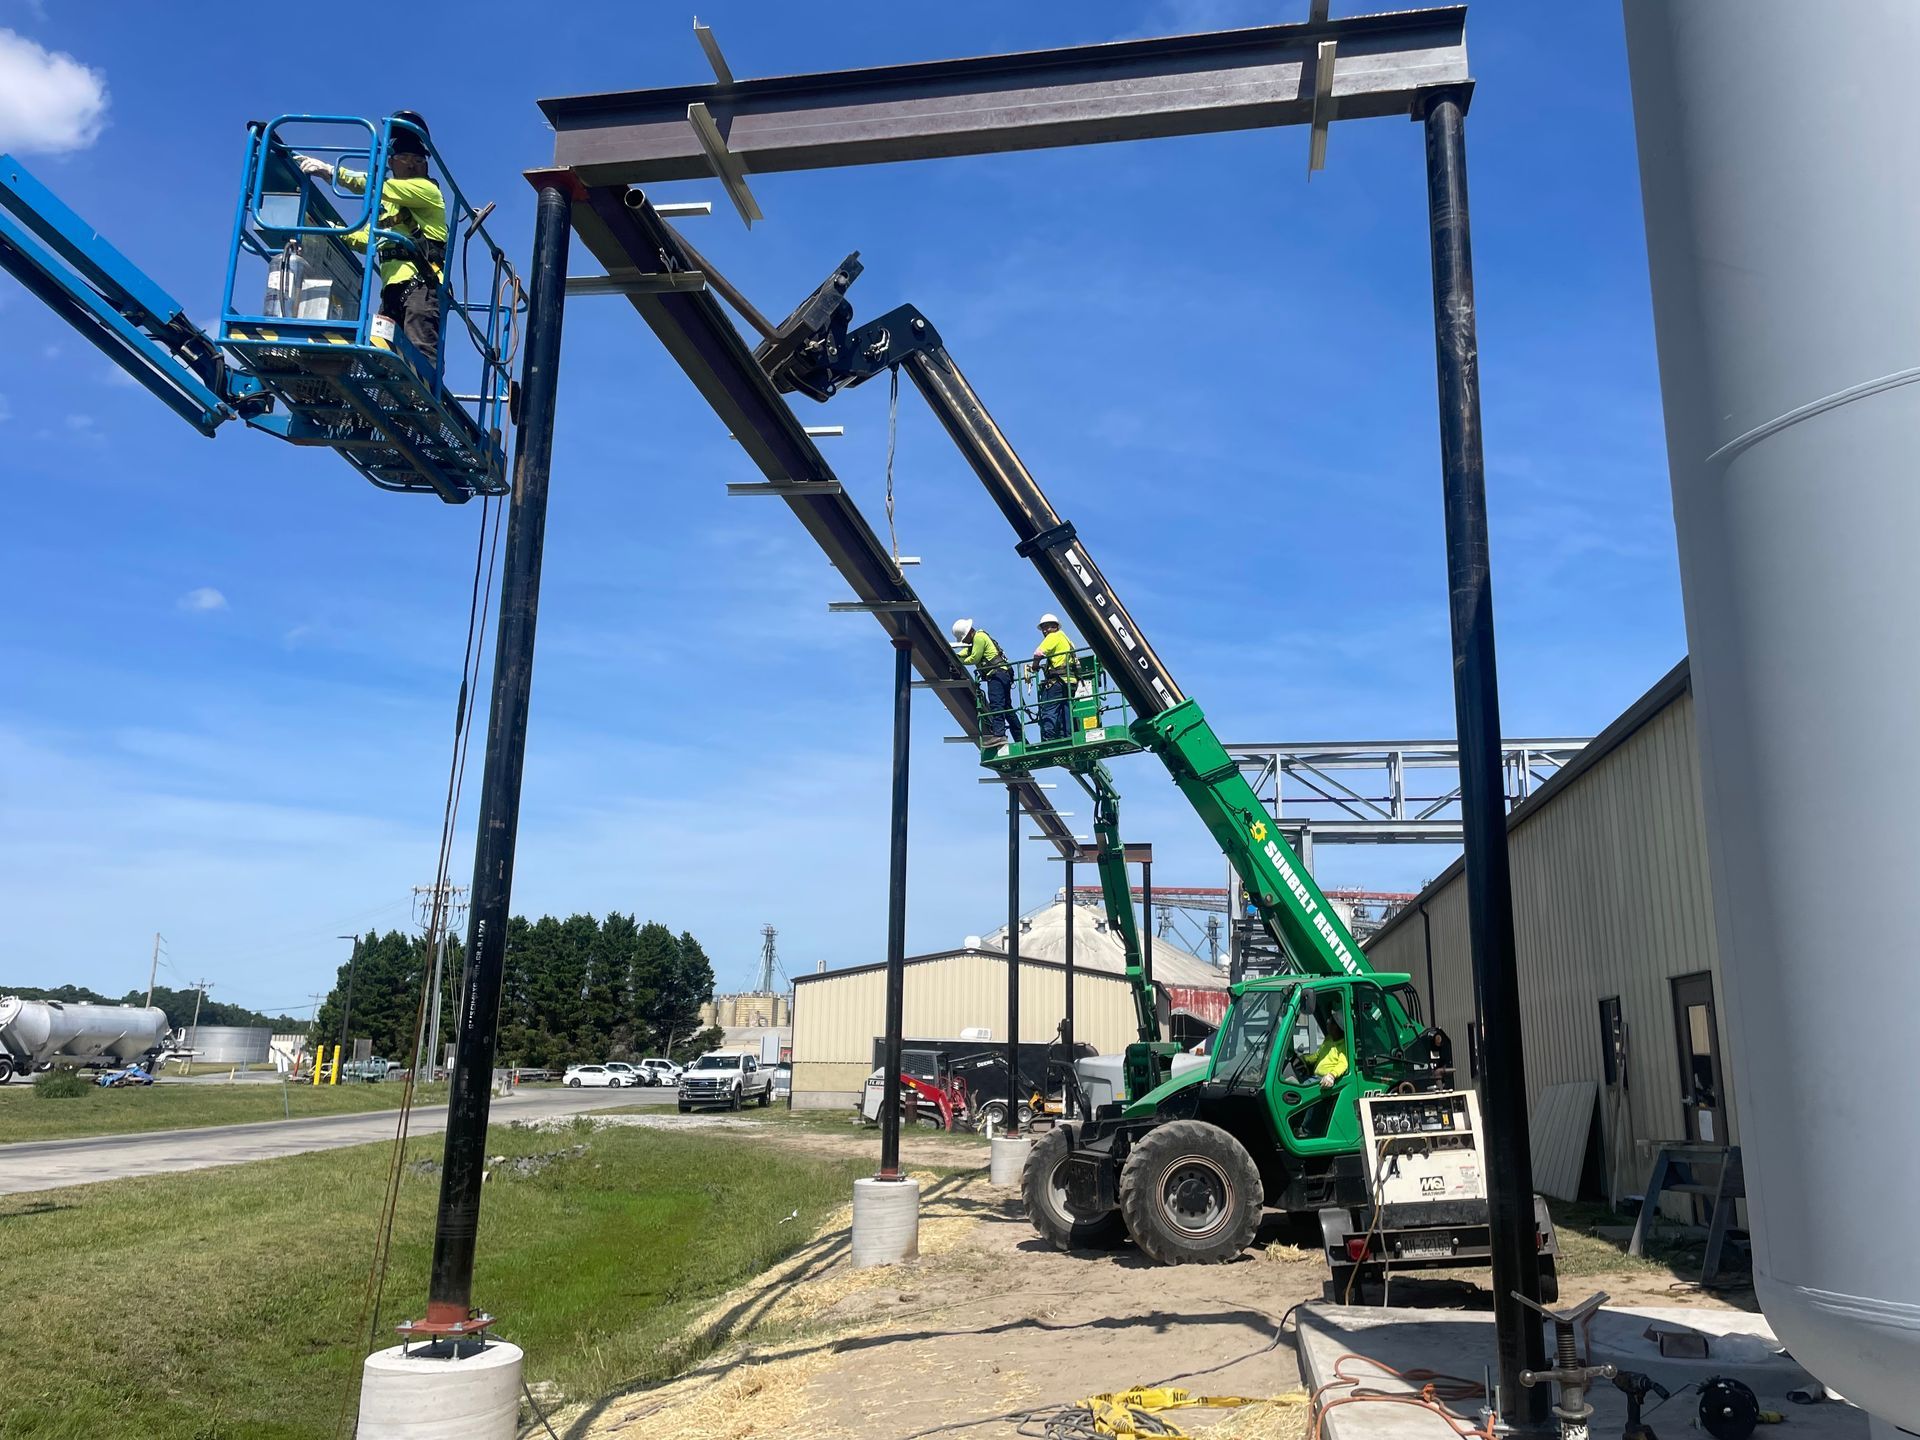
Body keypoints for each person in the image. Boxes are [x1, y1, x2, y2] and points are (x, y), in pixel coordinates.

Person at [294, 112, 447, 368]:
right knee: (381, 353)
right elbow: (366, 240)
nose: (411, 165)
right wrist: (324, 228)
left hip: (422, 285)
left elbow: (377, 187)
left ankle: (422, 400)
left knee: (419, 352)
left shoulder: (427, 191)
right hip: (391, 290)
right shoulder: (387, 208)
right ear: (392, 162)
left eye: (418, 160)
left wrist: (331, 172)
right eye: (404, 158)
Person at [952, 618, 1020, 745]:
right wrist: (955, 656)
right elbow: (965, 652)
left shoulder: (979, 638)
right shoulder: (975, 640)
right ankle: (1020, 738)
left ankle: (999, 735)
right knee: (1007, 708)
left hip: (996, 674)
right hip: (1002, 674)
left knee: (997, 704)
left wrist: (958, 661)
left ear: (967, 634)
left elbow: (974, 658)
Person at [1031, 613, 1076, 740]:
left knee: (1048, 709)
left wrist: (1035, 665)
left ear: (1055, 627)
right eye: (1043, 628)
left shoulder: (1053, 637)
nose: (1045, 631)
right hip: (1070, 681)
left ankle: (1049, 739)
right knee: (1064, 710)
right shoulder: (1066, 639)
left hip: (1058, 681)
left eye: (1048, 627)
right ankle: (1066, 736)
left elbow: (1038, 653)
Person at [1294, 1000, 1350, 1090]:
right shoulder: (1329, 1039)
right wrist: (1304, 1058)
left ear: (1337, 1027)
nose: (1327, 1022)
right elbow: (1317, 1055)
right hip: (1315, 1076)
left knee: (1297, 1089)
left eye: (1331, 1021)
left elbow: (1343, 1064)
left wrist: (1331, 1075)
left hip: (1323, 1080)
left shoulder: (1343, 1046)